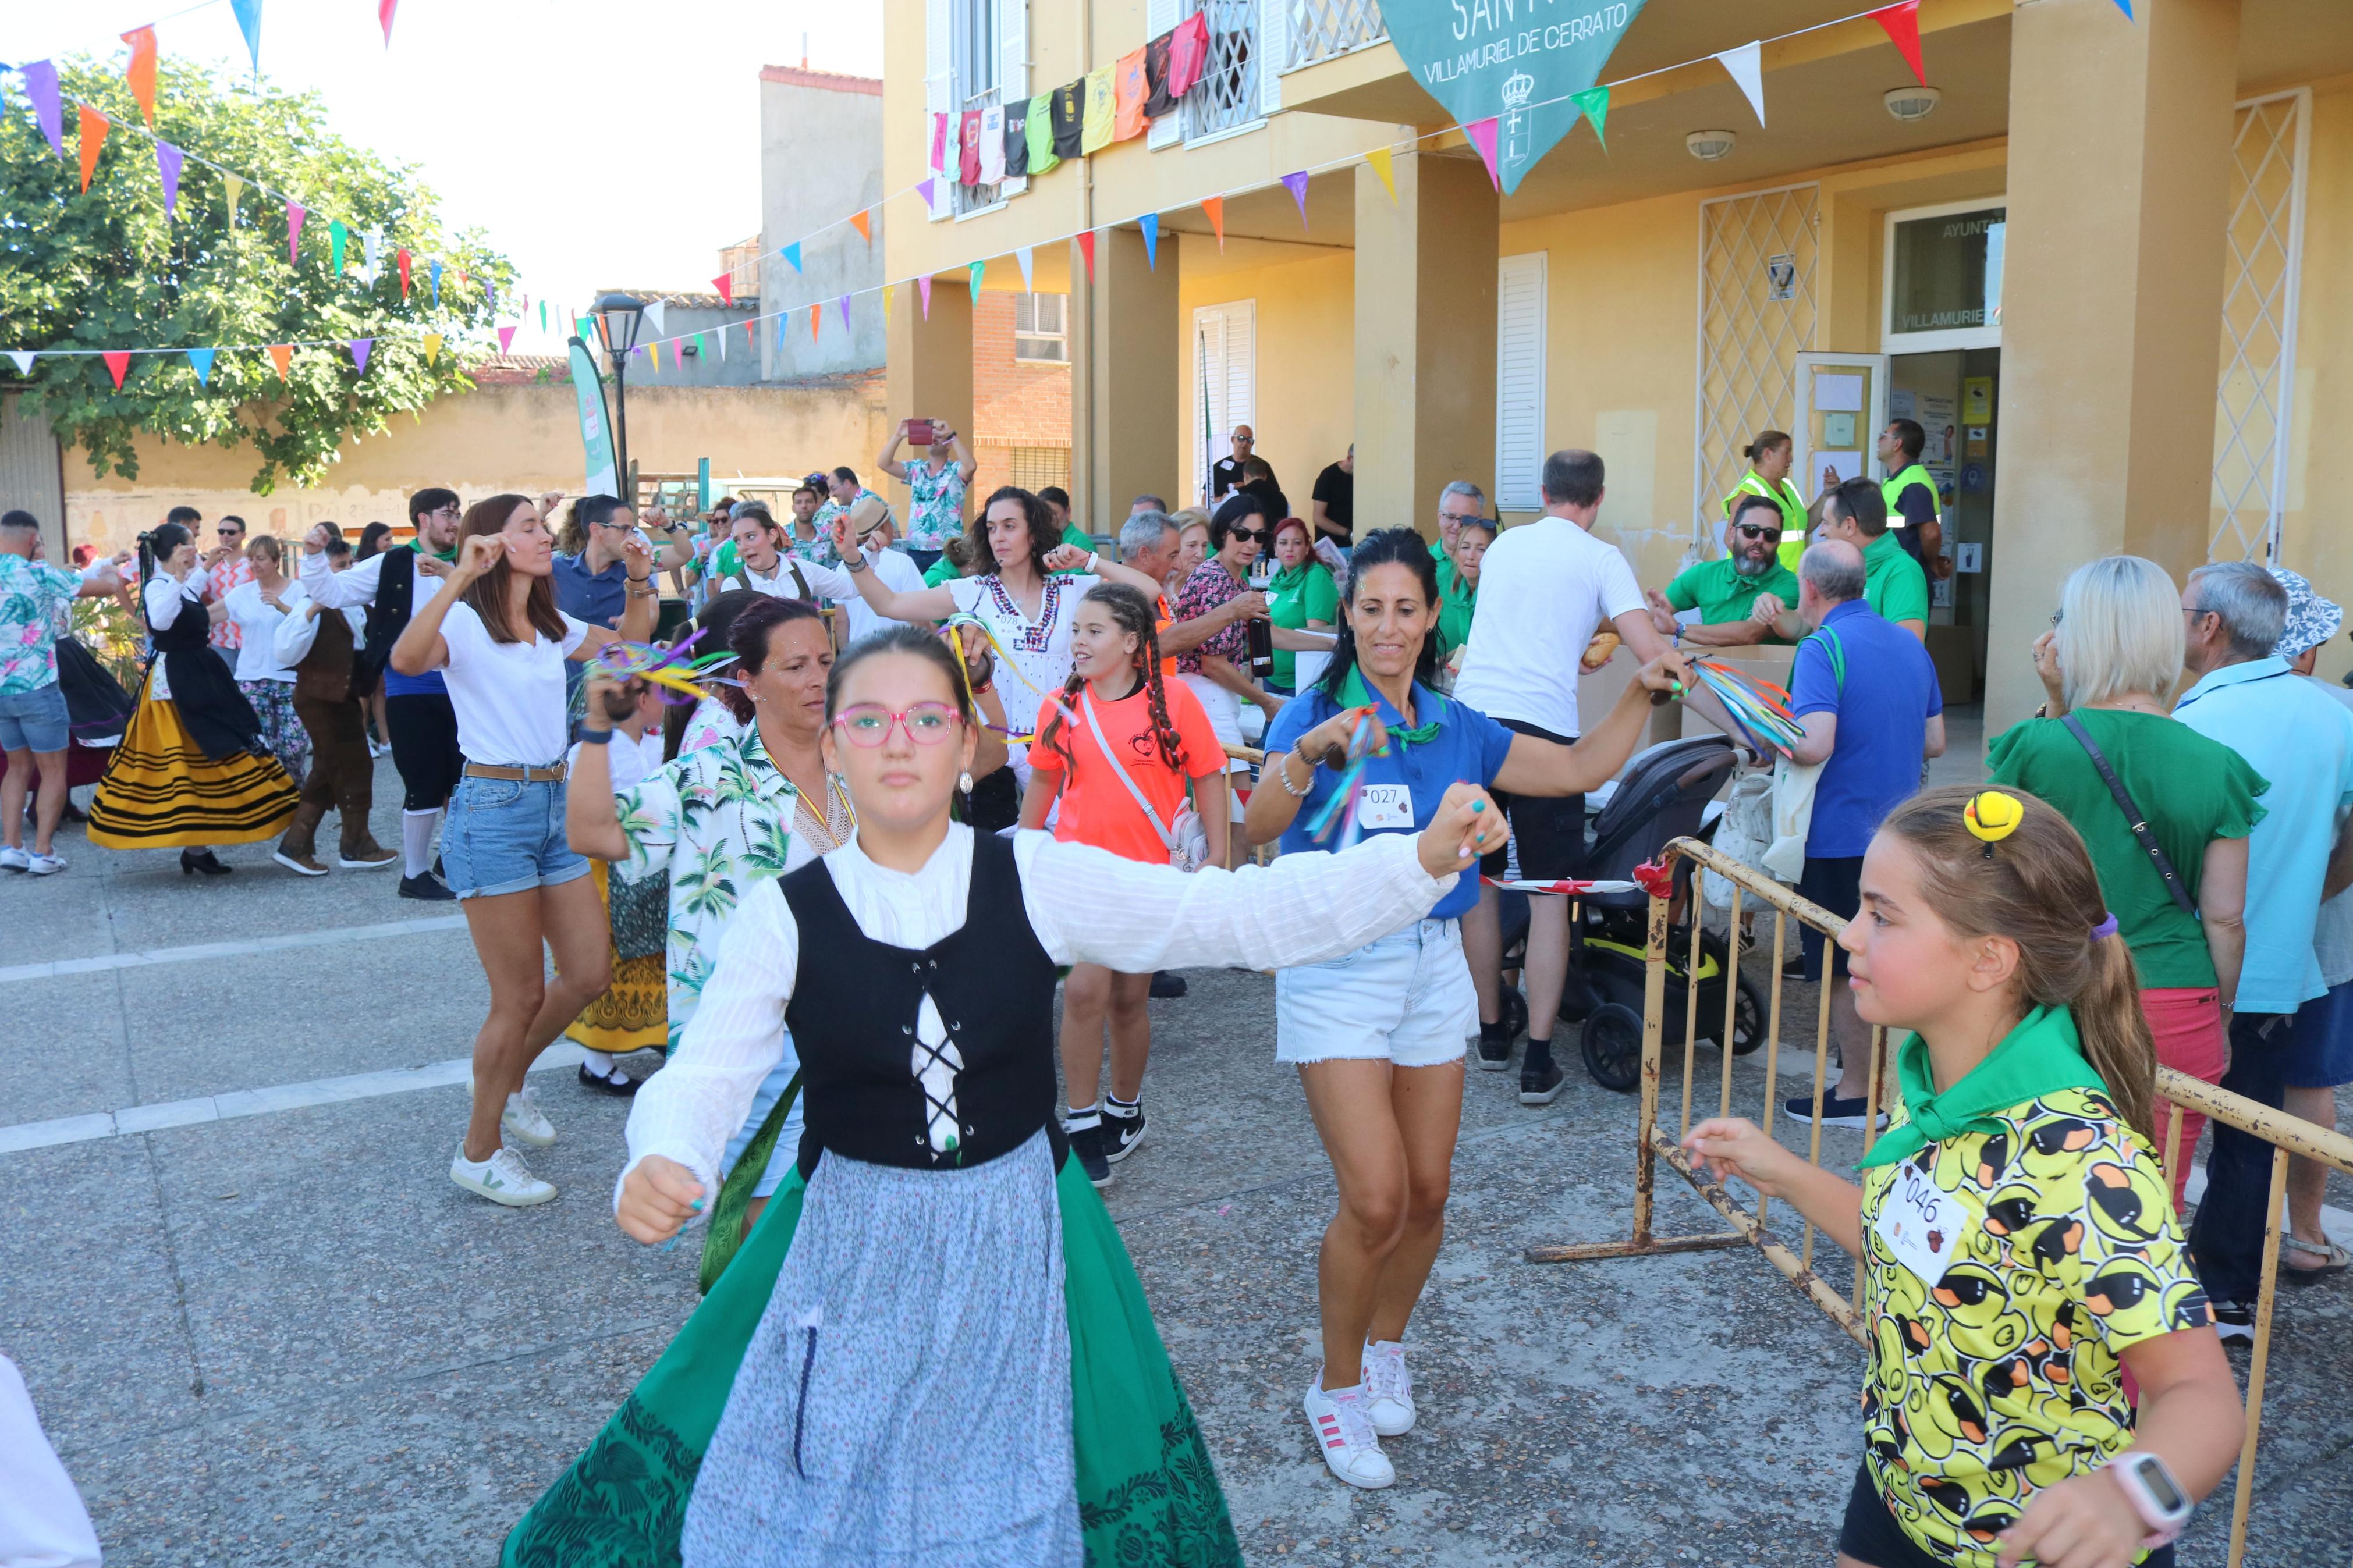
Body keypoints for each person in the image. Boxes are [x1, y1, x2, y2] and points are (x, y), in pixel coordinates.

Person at [505, 621, 1502, 1565]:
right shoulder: (786, 914)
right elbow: (707, 1071)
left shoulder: (1033, 875)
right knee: (827, 1470)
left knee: (1009, 1484)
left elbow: (1231, 917)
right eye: (868, 720)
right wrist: (665, 1152)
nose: (899, 744)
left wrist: (1413, 864)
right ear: (834, 746)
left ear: (967, 744)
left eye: (927, 719)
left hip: (1018, 1228)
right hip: (852, 1242)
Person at [1685, 787, 2243, 1568]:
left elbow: (2202, 1397)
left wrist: (2125, 1494)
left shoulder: (2078, 1157)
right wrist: (1777, 1171)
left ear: (1988, 958)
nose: (1848, 935)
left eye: (1882, 915)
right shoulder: (1932, 1084)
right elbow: (1925, 1249)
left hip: (2036, 1543)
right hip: (1901, 1489)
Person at [1246, 528, 1692, 1489]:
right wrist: (1304, 757)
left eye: (1405, 609)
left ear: (1431, 615)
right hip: (1334, 967)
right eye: (1369, 610)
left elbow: (1573, 771)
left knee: (1429, 1192)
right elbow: (1256, 828)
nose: (1387, 628)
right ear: (1348, 616)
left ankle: (1384, 1349)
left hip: (1430, 964)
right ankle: (1334, 1390)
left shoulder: (1457, 723)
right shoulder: (1313, 716)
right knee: (1372, 1197)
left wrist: (1635, 696)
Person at [571, 596, 1010, 1219]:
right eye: (794, 665)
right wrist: (595, 729)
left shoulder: (865, 752)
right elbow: (595, 834)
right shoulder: (708, 778)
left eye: (827, 661)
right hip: (758, 1042)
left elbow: (985, 757)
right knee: (770, 1226)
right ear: (746, 681)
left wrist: (961, 685)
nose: (817, 679)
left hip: (879, 1035)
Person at [388, 493, 655, 1207]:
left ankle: (503, 1082)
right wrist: (454, 575)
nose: (545, 537)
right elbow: (406, 658)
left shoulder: (548, 625)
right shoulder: (467, 625)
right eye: (529, 528)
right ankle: (478, 1150)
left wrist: (638, 578)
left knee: (589, 972)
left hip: (551, 803)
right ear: (492, 546)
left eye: (543, 526)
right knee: (518, 996)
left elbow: (630, 645)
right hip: (493, 810)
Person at [1453, 449, 1744, 1101]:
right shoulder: (1600, 557)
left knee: (1483, 885)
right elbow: (1655, 658)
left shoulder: (1501, 548)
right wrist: (1743, 728)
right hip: (1543, 739)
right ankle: (1537, 1061)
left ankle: (1491, 1030)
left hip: (1471, 729)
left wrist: (1584, 636)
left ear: (1543, 490)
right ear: (1598, 497)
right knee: (1551, 895)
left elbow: (1530, 620)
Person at [1988, 555, 2263, 1215]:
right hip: (2174, 999)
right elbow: (2224, 919)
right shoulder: (2217, 765)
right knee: (2148, 1206)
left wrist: (2053, 704)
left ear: (2077, 636)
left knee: (2039, 1193)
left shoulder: (2032, 746)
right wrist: (2219, 1013)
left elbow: (1992, 866)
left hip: (2054, 993)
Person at [2174, 561, 2353, 1339]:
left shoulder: (2187, 720)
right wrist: (2307, 892)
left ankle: (2136, 1287)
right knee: (2246, 1127)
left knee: (2156, 1122)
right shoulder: (2331, 716)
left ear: (2209, 626)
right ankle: (2226, 1297)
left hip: (2181, 962)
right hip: (2278, 965)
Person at [1020, 584, 1231, 1187]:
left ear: (1132, 642)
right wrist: (1026, 849)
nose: (1078, 641)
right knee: (1085, 992)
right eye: (1076, 630)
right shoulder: (1059, 706)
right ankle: (1081, 1120)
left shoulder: (1175, 702)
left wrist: (1216, 855)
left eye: (1094, 631)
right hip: (1081, 876)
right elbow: (1041, 782)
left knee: (1128, 1001)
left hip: (1150, 882)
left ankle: (1124, 1107)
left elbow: (1209, 776)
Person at [829, 484, 1162, 826]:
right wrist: (853, 557)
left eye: (1010, 526)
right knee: (995, 855)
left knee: (1069, 845)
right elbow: (890, 604)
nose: (998, 537)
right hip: (994, 749)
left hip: (1062, 742)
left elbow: (1149, 591)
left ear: (1034, 533)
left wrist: (1088, 560)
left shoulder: (1072, 590)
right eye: (991, 528)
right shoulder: (974, 592)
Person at [1777, 540, 1945, 1129]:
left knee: (1840, 965)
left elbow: (1813, 743)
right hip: (1898, 835)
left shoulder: (1820, 647)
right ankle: (1889, 1088)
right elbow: (1934, 741)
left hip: (1834, 834)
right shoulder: (1907, 643)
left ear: (1811, 592)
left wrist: (1765, 735)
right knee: (1890, 955)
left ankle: (1854, 1093)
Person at [87, 522, 299, 874]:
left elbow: (187, 603)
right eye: (191, 544)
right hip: (176, 683)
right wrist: (188, 575)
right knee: (187, 760)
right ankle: (195, 848)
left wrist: (204, 568)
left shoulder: (176, 583)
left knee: (204, 755)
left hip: (198, 672)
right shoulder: (159, 585)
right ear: (178, 550)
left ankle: (197, 850)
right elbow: (163, 621)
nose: (196, 548)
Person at [300, 487, 467, 901]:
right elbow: (331, 593)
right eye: (448, 513)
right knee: (424, 783)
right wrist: (312, 556)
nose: (456, 521)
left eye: (458, 513)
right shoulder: (392, 562)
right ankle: (415, 874)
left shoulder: (471, 563)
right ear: (423, 519)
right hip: (412, 688)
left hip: (468, 688)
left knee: (467, 781)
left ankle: (456, 855)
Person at [2272, 567, 2353, 1280]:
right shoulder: (2341, 713)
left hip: (2230, 926)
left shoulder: (2205, 708)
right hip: (2325, 932)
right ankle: (2303, 1233)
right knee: (2308, 1081)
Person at [0, 510, 125, 875]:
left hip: (2, 692)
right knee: (53, 771)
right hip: (38, 687)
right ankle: (43, 853)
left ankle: (11, 847)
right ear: (31, 540)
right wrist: (113, 571)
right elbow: (104, 589)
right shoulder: (38, 573)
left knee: (16, 768)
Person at [563, 674, 670, 1086]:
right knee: (608, 959)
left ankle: (656, 1032)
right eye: (662, 694)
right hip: (603, 868)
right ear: (643, 701)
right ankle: (596, 1057)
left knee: (653, 958)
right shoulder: (587, 752)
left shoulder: (654, 746)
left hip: (647, 866)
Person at [269, 555, 395, 876]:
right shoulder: (312, 602)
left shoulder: (360, 604)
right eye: (336, 565)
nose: (345, 571)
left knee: (328, 768)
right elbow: (283, 649)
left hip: (344, 696)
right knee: (352, 766)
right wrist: (311, 610)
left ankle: (296, 845)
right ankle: (356, 845)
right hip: (318, 698)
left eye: (347, 564)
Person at [1644, 493, 1803, 648]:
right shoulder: (1703, 574)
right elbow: (1651, 613)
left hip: (1761, 674)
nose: (1760, 540)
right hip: (1710, 672)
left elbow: (1751, 634)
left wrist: (1680, 629)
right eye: (1751, 531)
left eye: (1770, 534)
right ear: (1733, 534)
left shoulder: (1789, 585)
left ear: (1779, 541)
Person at [219, 535, 313, 791]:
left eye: (260, 558)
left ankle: (297, 789)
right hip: (251, 680)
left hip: (291, 680)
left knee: (293, 748)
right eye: (250, 558)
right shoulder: (241, 594)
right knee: (261, 748)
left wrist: (282, 607)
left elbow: (312, 625)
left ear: (276, 560)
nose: (254, 564)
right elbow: (202, 618)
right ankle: (276, 802)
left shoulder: (299, 590)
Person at [553, 495, 692, 631]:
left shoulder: (634, 570)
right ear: (596, 530)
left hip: (616, 653)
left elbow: (683, 554)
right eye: (624, 529)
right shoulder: (557, 569)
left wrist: (667, 524)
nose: (631, 535)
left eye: (632, 530)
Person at [1817, 477, 1929, 641]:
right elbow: (1803, 626)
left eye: (1826, 523)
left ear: (1849, 525)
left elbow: (1906, 653)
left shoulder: (1903, 571)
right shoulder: (1841, 568)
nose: (1821, 532)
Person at [876, 418, 976, 576]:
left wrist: (952, 435)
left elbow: (971, 466)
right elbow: (884, 463)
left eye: (940, 436)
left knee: (943, 595)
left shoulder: (956, 470)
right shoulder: (917, 469)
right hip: (915, 548)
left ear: (948, 443)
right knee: (916, 595)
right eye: (931, 435)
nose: (934, 438)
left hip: (947, 550)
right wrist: (898, 435)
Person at [715, 504, 859, 605]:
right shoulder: (734, 586)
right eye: (737, 541)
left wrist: (864, 552)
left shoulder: (803, 570)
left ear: (772, 536)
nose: (743, 547)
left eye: (751, 537)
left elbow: (850, 588)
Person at [835, 494, 930, 643]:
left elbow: (841, 621)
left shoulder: (844, 564)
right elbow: (918, 617)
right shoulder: (902, 562)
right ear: (885, 526)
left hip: (858, 656)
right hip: (899, 653)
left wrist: (847, 660)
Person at [1265, 516, 1339, 695]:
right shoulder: (1279, 577)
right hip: (1272, 678)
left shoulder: (1316, 576)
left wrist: (1275, 635)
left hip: (1302, 682)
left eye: (1297, 543)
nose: (1289, 548)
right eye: (1283, 543)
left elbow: (1314, 636)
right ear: (1275, 548)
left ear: (1307, 548)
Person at [1724, 428, 1811, 571]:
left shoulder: (1789, 486)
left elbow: (1802, 527)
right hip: (1763, 579)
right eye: (1787, 451)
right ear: (1768, 454)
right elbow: (1730, 539)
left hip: (1789, 578)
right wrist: (1761, 575)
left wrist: (1828, 494)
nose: (1791, 458)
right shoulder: (1749, 490)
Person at [1875, 417, 1945, 570]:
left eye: (1883, 436)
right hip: (1896, 571)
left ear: (1897, 444)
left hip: (1906, 576)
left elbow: (1931, 533)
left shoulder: (1912, 484)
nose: (1878, 441)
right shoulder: (1901, 480)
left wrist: (1932, 564)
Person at [1432, 514, 1493, 677]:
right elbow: (1468, 646)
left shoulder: (1493, 595)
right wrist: (1436, 664)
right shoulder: (1463, 589)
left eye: (1481, 549)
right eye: (1465, 547)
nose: (1471, 556)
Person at [196, 510, 250, 660]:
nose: (225, 535)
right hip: (220, 639)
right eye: (222, 531)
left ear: (243, 535)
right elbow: (200, 597)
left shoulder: (252, 564)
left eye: (231, 532)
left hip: (249, 637)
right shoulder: (209, 565)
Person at [1311, 443, 1355, 552]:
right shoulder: (1328, 476)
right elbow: (1318, 518)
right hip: (1330, 548)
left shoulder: (1360, 477)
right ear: (1349, 458)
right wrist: (1349, 534)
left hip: (1353, 546)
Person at [1204, 423, 1257, 509]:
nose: (1245, 443)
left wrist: (1248, 486)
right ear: (1233, 439)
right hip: (1225, 517)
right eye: (1241, 438)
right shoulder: (1218, 468)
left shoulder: (1260, 466)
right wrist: (1224, 498)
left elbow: (1272, 494)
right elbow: (1205, 500)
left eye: (1249, 440)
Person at [1039, 484, 1094, 552]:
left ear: (1067, 512)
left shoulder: (1081, 542)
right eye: (1043, 514)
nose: (1047, 518)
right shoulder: (1039, 540)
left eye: (1054, 514)